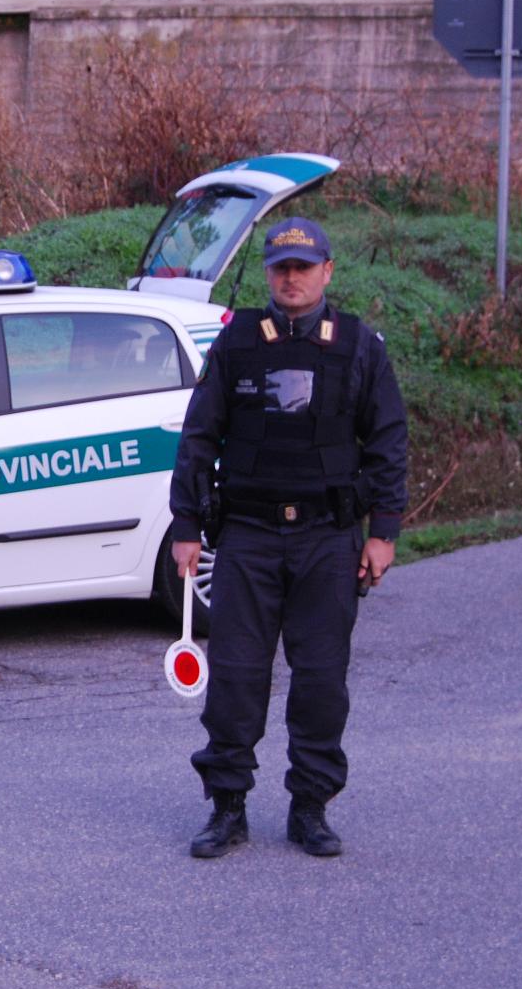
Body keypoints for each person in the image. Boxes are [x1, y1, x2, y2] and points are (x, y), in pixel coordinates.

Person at [168, 216, 408, 859]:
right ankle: (227, 808)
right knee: (236, 679)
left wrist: (383, 532)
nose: (292, 277)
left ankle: (310, 808)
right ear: (270, 273)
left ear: (328, 272)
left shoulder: (359, 346)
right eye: (281, 267)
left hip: (328, 540)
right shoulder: (238, 342)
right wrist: (186, 524)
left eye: (305, 267)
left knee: (322, 681)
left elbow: (387, 442)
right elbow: (199, 436)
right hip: (247, 536)